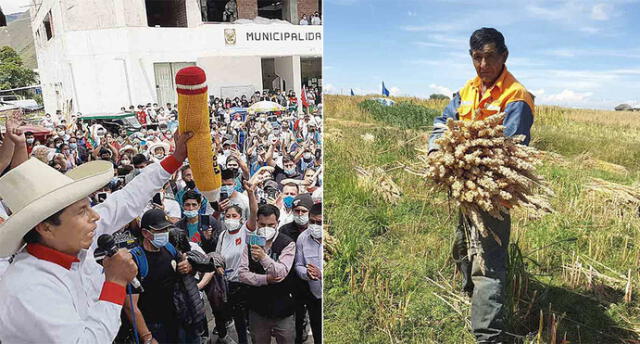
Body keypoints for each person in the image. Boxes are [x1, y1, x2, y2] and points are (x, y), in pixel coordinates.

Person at [0, 128, 195, 342]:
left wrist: (176, 158)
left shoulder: (73, 241)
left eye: (89, 206)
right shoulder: (30, 288)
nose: (95, 216)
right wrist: (115, 283)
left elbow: (126, 199)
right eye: (82, 211)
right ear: (45, 227)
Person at [427, 27, 534, 343]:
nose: (483, 64)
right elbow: (441, 124)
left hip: (492, 191)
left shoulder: (517, 96)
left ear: (504, 56)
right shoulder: (466, 91)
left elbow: (511, 148)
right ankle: (471, 295)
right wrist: (436, 151)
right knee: (463, 243)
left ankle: (487, 334)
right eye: (477, 57)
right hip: (463, 184)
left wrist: (469, 155)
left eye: (490, 57)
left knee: (488, 261)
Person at [123, 208, 202, 344]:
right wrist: (147, 337)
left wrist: (188, 266)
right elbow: (130, 306)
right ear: (145, 233)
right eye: (159, 231)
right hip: (154, 326)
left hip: (177, 318)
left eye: (166, 230)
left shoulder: (169, 248)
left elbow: (185, 266)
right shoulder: (135, 260)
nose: (164, 234)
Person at [238, 204, 296, 344]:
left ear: (277, 223)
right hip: (258, 308)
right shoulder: (250, 242)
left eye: (270, 225)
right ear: (257, 222)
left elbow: (281, 273)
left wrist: (263, 257)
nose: (266, 228)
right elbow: (242, 274)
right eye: (262, 224)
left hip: (283, 309)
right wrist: (265, 279)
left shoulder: (287, 243)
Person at [278, 193, 313, 344]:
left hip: (312, 279)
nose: (300, 214)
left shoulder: (316, 229)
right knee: (296, 313)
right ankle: (298, 335)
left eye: (303, 211)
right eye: (297, 211)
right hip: (292, 280)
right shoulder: (285, 231)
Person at [294, 203, 322, 344]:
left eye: (320, 222)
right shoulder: (303, 238)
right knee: (318, 331)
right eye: (312, 221)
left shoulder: (333, 239)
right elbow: (298, 265)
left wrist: (321, 273)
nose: (315, 226)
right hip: (314, 295)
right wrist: (306, 273)